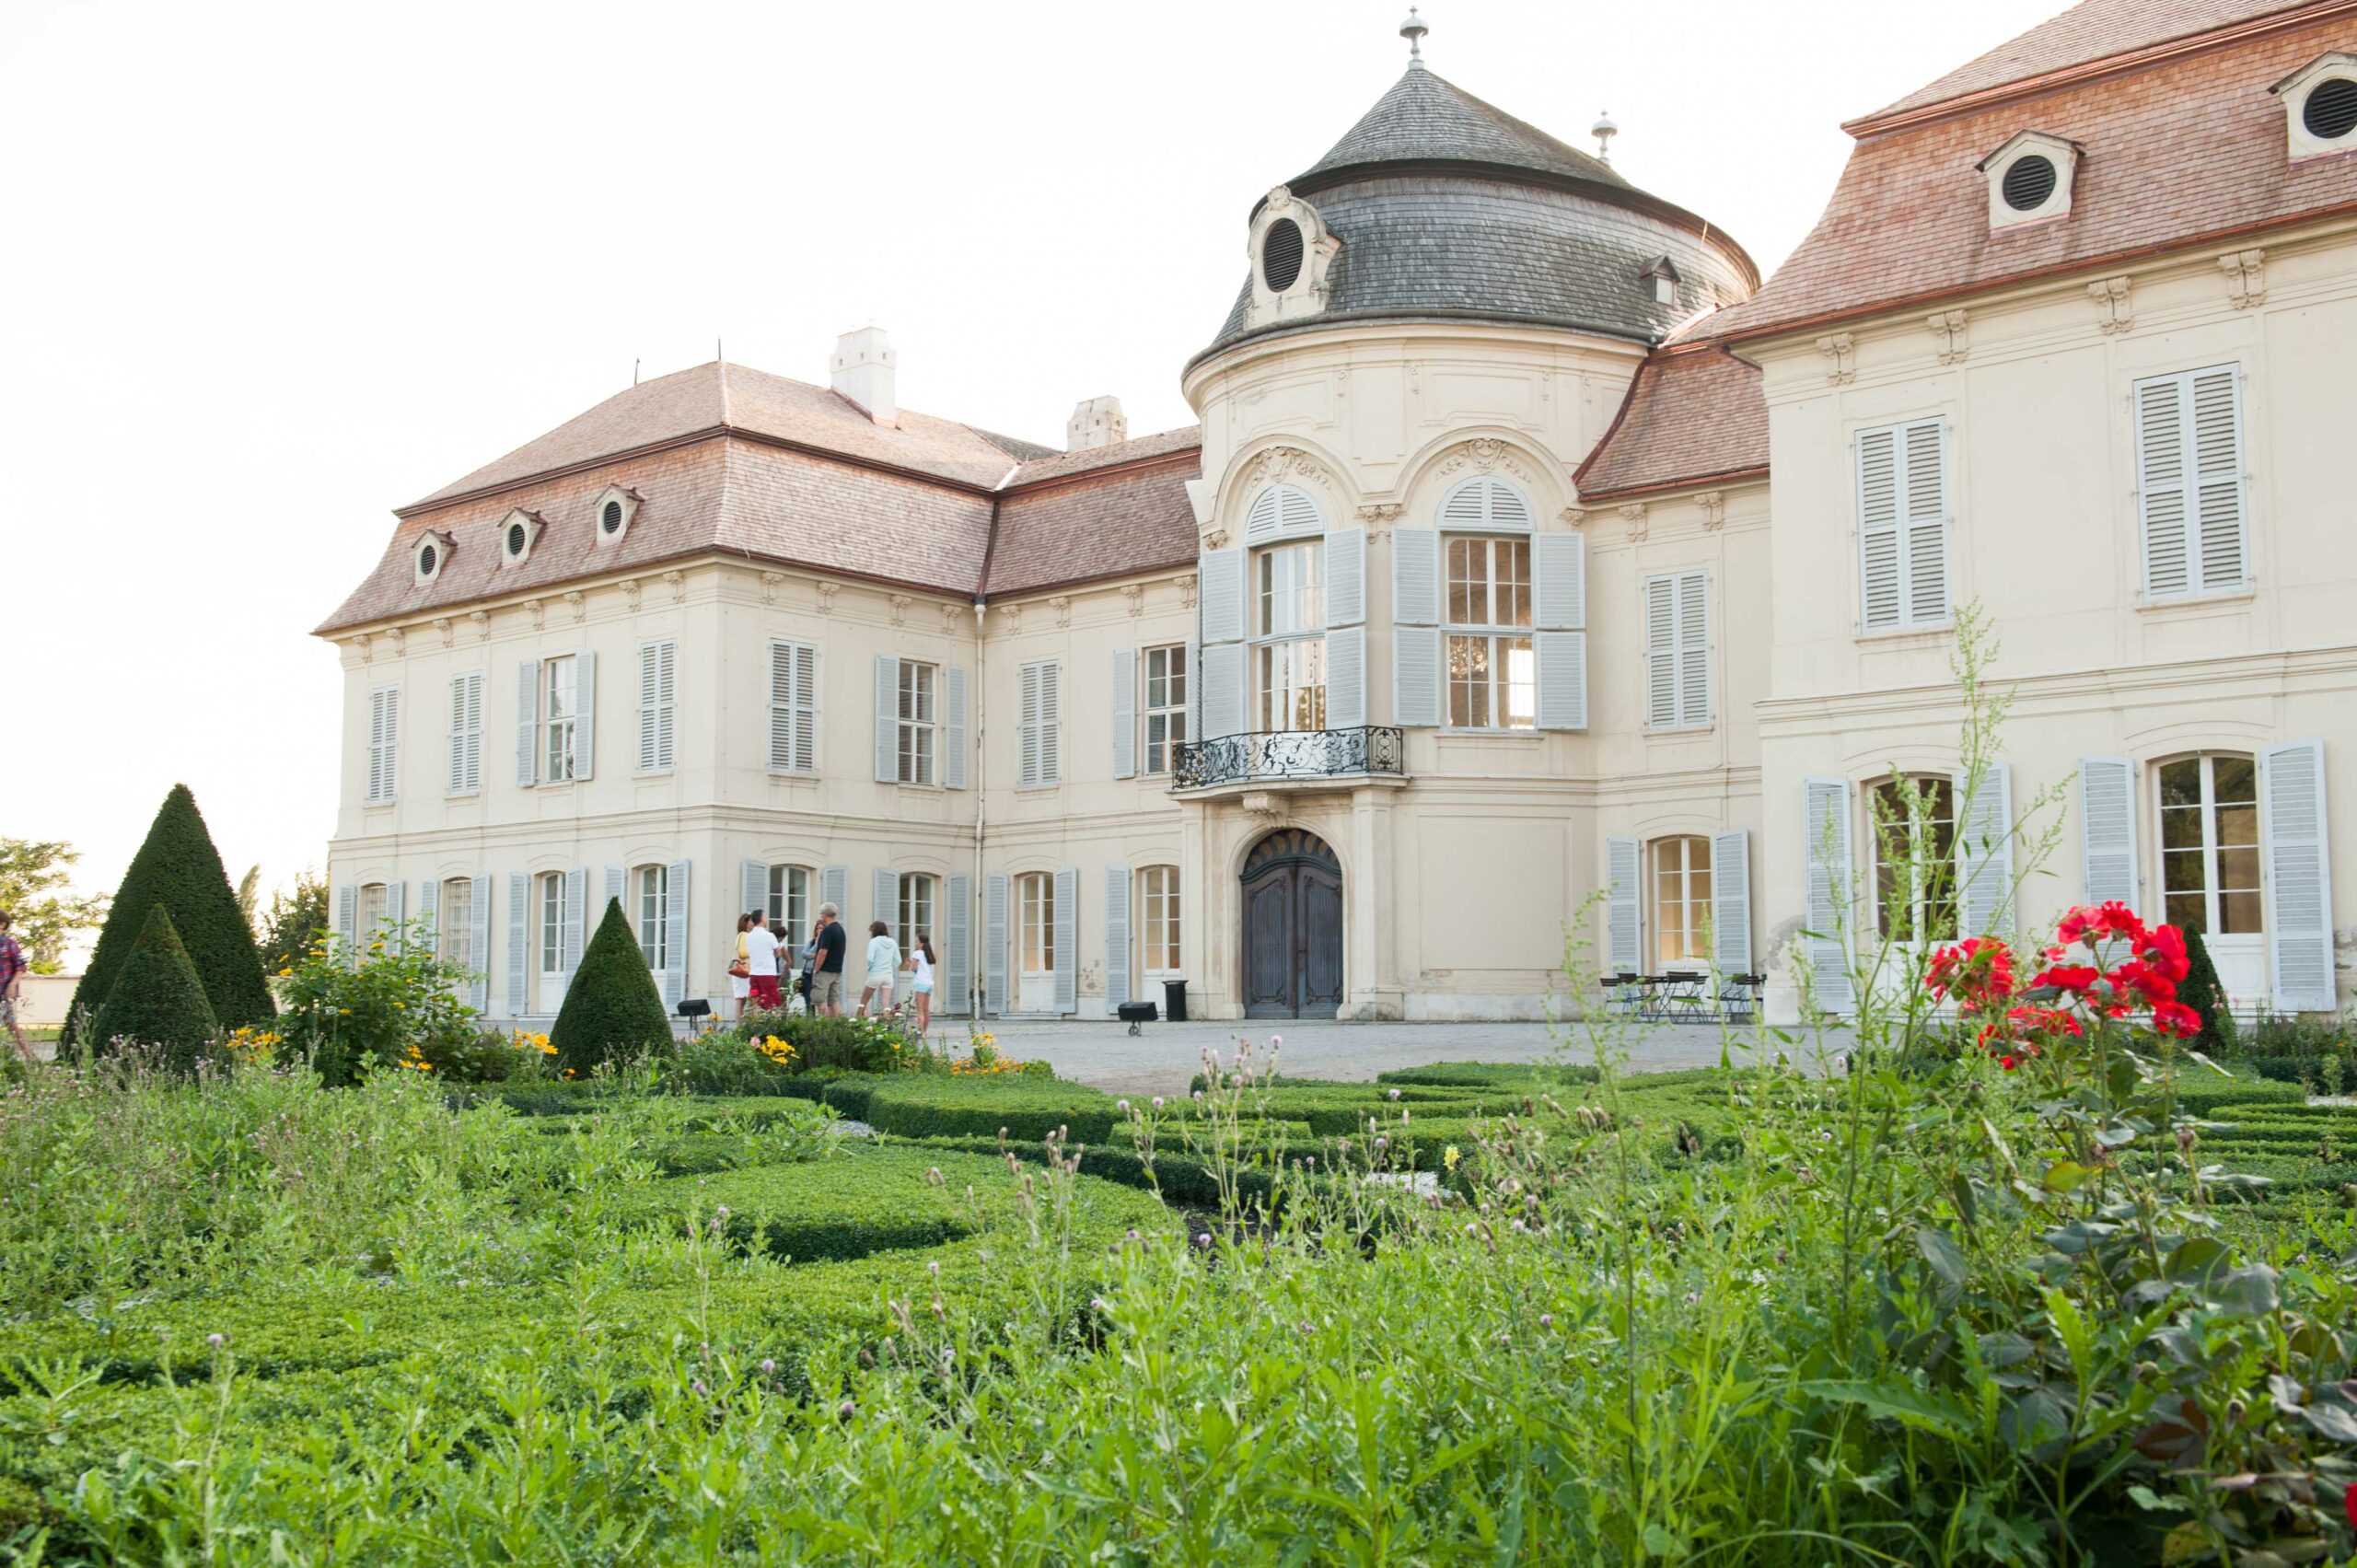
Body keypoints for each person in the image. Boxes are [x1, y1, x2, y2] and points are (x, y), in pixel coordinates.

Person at [0, 911, 30, 1065]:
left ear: (2, 924)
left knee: (11, 1025)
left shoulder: (9, 944)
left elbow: (21, 967)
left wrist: (12, 985)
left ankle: (30, 1058)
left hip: (3, 993)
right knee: (11, 1025)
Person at [808, 902, 847, 1016]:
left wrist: (816, 969)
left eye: (821, 914)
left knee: (820, 1000)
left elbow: (822, 952)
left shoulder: (827, 930)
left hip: (825, 970)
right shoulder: (840, 929)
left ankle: (824, 1026)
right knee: (834, 1000)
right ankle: (837, 1026)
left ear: (825, 915)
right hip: (836, 970)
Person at [857, 921, 900, 1018]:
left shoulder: (874, 942)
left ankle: (857, 1021)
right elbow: (898, 960)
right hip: (888, 975)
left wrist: (870, 968)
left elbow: (870, 959)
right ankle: (888, 1027)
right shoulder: (892, 942)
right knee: (886, 1004)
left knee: (864, 1000)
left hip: (876, 974)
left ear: (874, 931)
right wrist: (889, 965)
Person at [744, 910, 782, 1013]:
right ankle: (774, 1025)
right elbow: (778, 953)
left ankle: (755, 1025)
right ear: (761, 919)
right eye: (765, 917)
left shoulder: (749, 936)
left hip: (754, 974)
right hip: (767, 973)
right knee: (773, 1003)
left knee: (755, 1002)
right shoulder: (769, 936)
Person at [907, 931, 937, 1036]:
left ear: (921, 943)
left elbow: (914, 969)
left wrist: (910, 965)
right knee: (926, 1009)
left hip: (921, 983)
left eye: (916, 941)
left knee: (919, 1009)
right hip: (929, 983)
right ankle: (924, 1031)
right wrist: (913, 965)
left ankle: (920, 1031)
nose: (915, 943)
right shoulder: (927, 954)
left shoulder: (917, 953)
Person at [727, 912, 755, 1019]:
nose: (753, 923)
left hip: (740, 973)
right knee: (744, 1000)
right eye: (751, 921)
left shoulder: (740, 935)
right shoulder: (745, 935)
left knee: (740, 1000)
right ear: (746, 923)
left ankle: (740, 1026)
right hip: (744, 971)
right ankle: (743, 1025)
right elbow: (743, 952)